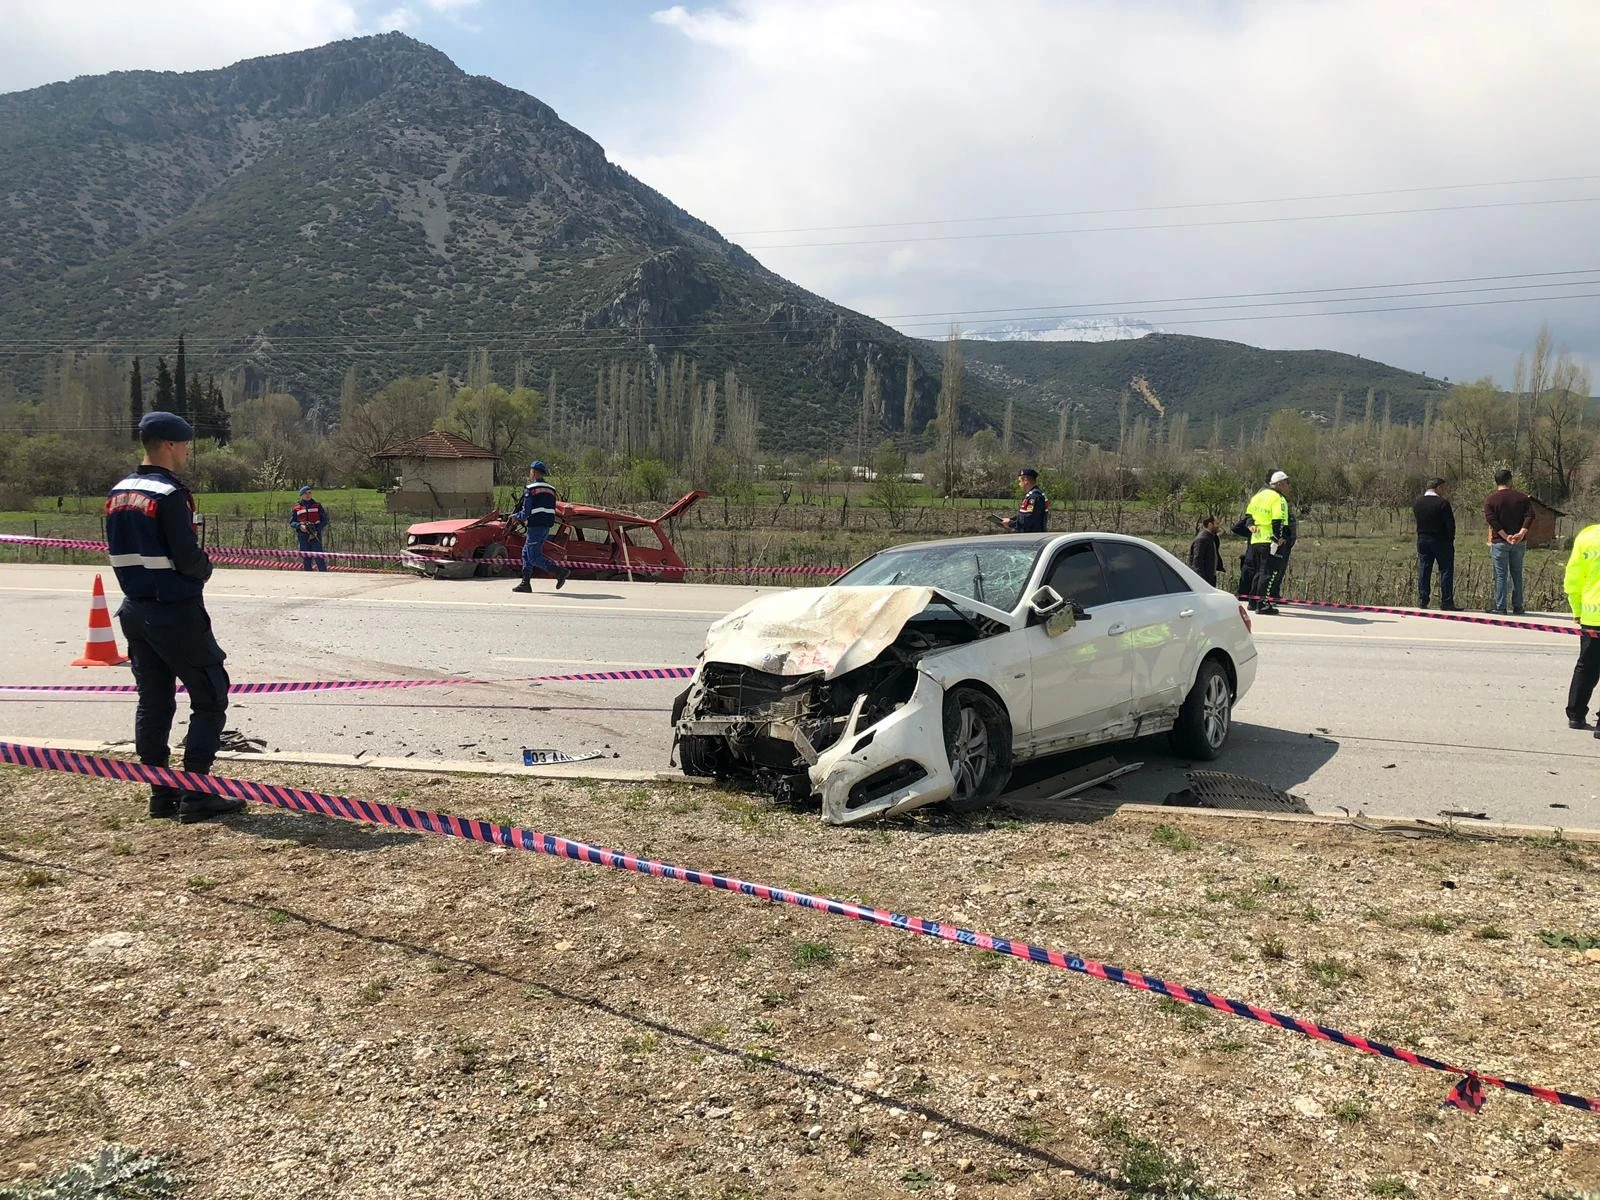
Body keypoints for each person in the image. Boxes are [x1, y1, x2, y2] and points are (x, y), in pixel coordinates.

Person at [105, 412, 244, 824]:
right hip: (175, 611)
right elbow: (186, 556)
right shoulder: (169, 494)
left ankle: (161, 794)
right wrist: (205, 567)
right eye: (184, 445)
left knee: (154, 700)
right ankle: (198, 793)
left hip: (135, 608)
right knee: (210, 695)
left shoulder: (120, 491)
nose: (186, 452)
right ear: (167, 445)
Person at [510, 460, 570, 593]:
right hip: (546, 525)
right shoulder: (552, 489)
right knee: (526, 553)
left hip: (535, 525)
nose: (530, 473)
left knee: (533, 556)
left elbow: (526, 511)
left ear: (534, 472)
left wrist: (516, 517)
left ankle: (559, 572)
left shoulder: (531, 489)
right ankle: (525, 583)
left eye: (531, 471)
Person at [1238, 470, 1290, 614]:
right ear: (1279, 484)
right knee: (1269, 572)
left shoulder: (1257, 496)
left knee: (1258, 572)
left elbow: (1248, 516)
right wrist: (1278, 538)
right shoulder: (1278, 499)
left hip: (1256, 540)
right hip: (1271, 541)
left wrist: (1250, 525)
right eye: (1286, 482)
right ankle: (1263, 603)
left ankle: (1253, 601)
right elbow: (1278, 521)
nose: (1288, 485)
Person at [1565, 522, 1600, 732]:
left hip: (1591, 612)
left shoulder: (1588, 536)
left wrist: (1577, 608)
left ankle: (1576, 715)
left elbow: (1573, 577)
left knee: (1586, 665)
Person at [1483, 468, 1533, 614]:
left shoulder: (1490, 500)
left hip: (1499, 542)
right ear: (1510, 480)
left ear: (1496, 482)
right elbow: (1530, 515)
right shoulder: (1523, 498)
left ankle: (1501, 607)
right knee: (1517, 572)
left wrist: (1506, 536)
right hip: (1519, 542)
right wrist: (1521, 533)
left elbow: (1492, 520)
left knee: (1501, 574)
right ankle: (1518, 606)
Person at [1412, 478, 1459, 610]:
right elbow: (1450, 524)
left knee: (1424, 568)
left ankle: (1423, 599)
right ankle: (1446, 601)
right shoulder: (1442, 503)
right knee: (1445, 569)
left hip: (1422, 539)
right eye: (1443, 488)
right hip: (1441, 540)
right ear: (1438, 487)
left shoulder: (1418, 503)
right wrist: (1451, 539)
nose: (1445, 491)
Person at [289, 484, 330, 572]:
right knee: (306, 559)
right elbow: (292, 522)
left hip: (315, 535)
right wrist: (299, 526)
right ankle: (308, 578)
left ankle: (324, 577)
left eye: (309, 493)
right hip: (303, 536)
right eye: (305, 493)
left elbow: (325, 520)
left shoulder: (317, 506)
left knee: (319, 558)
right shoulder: (297, 508)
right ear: (301, 495)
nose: (308, 495)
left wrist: (317, 529)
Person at [1002, 467, 1050, 532]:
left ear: (1025, 481)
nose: (1019, 484)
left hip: (1032, 536)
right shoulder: (1032, 495)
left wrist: (1011, 523)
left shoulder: (1034, 497)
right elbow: (1023, 515)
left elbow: (1028, 520)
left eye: (1020, 481)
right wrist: (1010, 520)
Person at [1187, 515, 1223, 586]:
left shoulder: (1212, 538)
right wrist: (1201, 580)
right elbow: (1197, 561)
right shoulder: (1202, 539)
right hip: (1204, 579)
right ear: (1210, 524)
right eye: (1216, 523)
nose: (1219, 526)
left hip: (1210, 577)